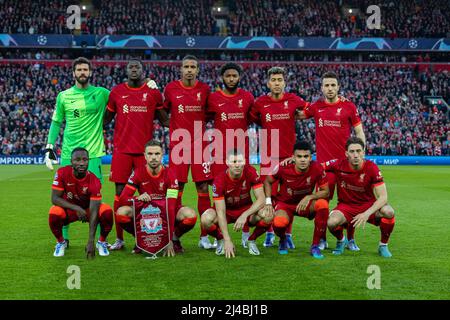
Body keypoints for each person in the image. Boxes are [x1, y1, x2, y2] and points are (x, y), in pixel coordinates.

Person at [44, 57, 110, 246]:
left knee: (95, 197)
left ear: (90, 72)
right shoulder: (63, 96)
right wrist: (49, 147)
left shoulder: (101, 93)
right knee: (63, 197)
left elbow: (124, 95)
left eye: (85, 70)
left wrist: (147, 84)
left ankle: (100, 240)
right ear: (73, 73)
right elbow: (56, 122)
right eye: (79, 70)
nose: (82, 73)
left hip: (94, 154)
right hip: (68, 155)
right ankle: (63, 240)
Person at [297, 71, 366, 251]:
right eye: (326, 85)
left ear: (338, 87)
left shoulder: (349, 106)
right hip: (324, 168)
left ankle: (350, 239)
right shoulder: (316, 106)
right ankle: (321, 239)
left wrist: (361, 153)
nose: (329, 88)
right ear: (321, 88)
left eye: (332, 85)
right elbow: (297, 114)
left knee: (349, 203)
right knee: (323, 204)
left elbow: (359, 132)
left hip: (346, 166)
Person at [103, 59, 167, 251]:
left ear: (142, 71)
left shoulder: (153, 93)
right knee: (119, 194)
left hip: (144, 152)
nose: (133, 69)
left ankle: (147, 236)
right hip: (122, 150)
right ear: (126, 70)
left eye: (136, 67)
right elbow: (105, 120)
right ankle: (120, 239)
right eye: (130, 67)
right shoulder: (116, 92)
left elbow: (165, 120)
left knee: (146, 195)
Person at [249, 66, 308, 248]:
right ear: (268, 83)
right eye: (273, 80)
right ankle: (269, 232)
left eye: (279, 80)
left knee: (288, 198)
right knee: (271, 196)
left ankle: (287, 234)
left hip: (289, 156)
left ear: (284, 82)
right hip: (269, 155)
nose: (276, 83)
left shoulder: (293, 100)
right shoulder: (260, 103)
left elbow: (308, 109)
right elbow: (254, 118)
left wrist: (297, 116)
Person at [162, 55, 214, 250]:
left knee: (203, 189)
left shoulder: (205, 90)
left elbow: (209, 113)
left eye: (193, 66)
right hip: (179, 146)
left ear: (198, 70)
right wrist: (175, 127)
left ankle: (204, 236)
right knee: (176, 190)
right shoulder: (171, 89)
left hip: (201, 145)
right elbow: (163, 112)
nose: (190, 70)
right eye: (186, 66)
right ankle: (173, 236)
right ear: (181, 69)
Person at [116, 139, 197, 255]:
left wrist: (168, 239)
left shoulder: (170, 174)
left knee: (190, 215)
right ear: (145, 156)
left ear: (162, 155)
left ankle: (174, 239)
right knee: (121, 212)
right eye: (150, 154)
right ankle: (141, 238)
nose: (153, 157)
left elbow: (170, 206)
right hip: (146, 212)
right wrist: (137, 198)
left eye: (157, 154)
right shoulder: (138, 173)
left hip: (168, 211)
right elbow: (123, 198)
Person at [206, 62, 255, 248]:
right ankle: (219, 238)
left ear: (239, 77)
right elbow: (202, 116)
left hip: (242, 153)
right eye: (228, 76)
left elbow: (256, 115)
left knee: (245, 192)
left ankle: (245, 234)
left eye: (235, 75)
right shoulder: (213, 98)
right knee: (218, 192)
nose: (231, 79)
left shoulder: (248, 97)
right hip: (220, 154)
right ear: (223, 78)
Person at [325, 137, 395, 258]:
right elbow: (315, 167)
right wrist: (293, 161)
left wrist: (366, 213)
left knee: (389, 212)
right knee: (331, 223)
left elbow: (383, 197)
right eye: (352, 151)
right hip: (346, 206)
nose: (356, 155)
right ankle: (341, 240)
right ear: (346, 153)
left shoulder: (371, 167)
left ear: (363, 152)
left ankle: (383, 245)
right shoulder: (338, 164)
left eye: (358, 151)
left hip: (368, 205)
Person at [201, 149, 273, 258]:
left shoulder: (250, 171)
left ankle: (251, 240)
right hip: (227, 213)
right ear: (227, 163)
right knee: (205, 219)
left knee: (268, 215)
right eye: (234, 162)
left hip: (246, 210)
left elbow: (261, 199)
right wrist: (227, 240)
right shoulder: (219, 181)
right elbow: (220, 212)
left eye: (240, 161)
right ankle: (220, 240)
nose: (237, 165)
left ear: (244, 161)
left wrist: (245, 215)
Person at [264, 141, 330, 259]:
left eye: (306, 156)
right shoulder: (283, 167)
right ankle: (283, 239)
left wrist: (310, 197)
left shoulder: (317, 168)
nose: (303, 160)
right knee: (279, 223)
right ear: (293, 157)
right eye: (299, 156)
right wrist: (268, 202)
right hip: (285, 204)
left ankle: (315, 246)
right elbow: (268, 181)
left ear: (311, 157)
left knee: (323, 204)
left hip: (305, 205)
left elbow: (326, 191)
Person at [48, 147, 113, 258]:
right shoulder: (62, 173)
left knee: (106, 211)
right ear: (71, 162)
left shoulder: (94, 180)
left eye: (85, 160)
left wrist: (90, 241)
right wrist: (76, 208)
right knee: (54, 212)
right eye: (77, 160)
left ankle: (101, 242)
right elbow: (54, 199)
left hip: (88, 210)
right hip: (69, 211)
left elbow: (94, 210)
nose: (82, 163)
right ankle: (61, 242)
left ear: (88, 161)